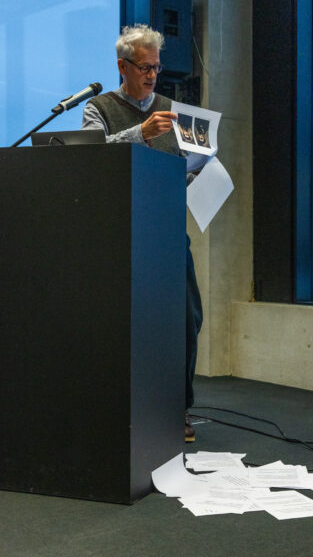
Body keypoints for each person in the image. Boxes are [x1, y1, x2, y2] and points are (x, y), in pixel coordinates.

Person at [82, 24, 202, 442]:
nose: (152, 75)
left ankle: (177, 407)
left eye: (156, 67)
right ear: (123, 66)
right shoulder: (99, 107)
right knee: (118, 324)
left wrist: (200, 176)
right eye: (144, 67)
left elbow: (189, 166)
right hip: (118, 234)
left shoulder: (175, 111)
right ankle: (115, 409)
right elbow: (90, 157)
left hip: (167, 231)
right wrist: (140, 134)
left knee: (187, 318)